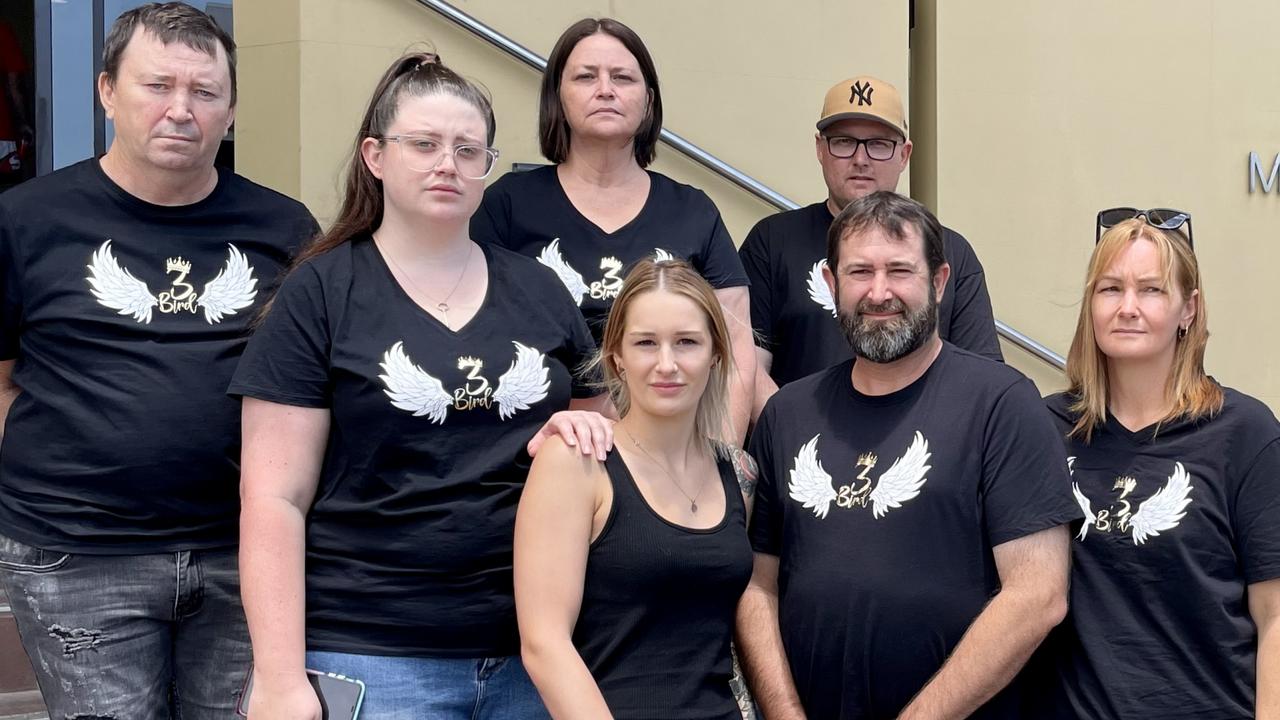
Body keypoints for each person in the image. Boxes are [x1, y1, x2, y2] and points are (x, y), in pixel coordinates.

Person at [231, 52, 607, 720]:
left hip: (534, 654)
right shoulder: (321, 293)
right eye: (425, 144)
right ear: (375, 156)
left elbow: (605, 451)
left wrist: (577, 434)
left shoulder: (541, 291)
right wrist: (280, 678)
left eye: (469, 150)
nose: (448, 164)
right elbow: (274, 499)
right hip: (374, 654)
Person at [0, 4, 316, 718]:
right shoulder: (25, 220)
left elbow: (309, 382)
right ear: (107, 91)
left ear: (231, 110)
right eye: (157, 86)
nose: (181, 110)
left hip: (245, 553)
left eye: (204, 93)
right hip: (78, 556)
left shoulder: (283, 227)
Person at [736, 191, 1080, 720]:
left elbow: (1038, 593)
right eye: (859, 272)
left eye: (900, 270)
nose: (879, 292)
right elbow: (758, 585)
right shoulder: (787, 414)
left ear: (939, 283)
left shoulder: (1002, 404)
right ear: (831, 285)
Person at [1034, 210, 1280, 719]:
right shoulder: (1044, 430)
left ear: (1187, 309)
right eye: (1110, 289)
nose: (1128, 308)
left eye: (1151, 290)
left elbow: (1276, 615)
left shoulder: (1245, 433)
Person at [472, 17, 756, 444]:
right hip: (541, 447)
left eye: (622, 77)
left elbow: (734, 345)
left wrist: (719, 459)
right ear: (557, 97)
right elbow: (473, 330)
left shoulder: (692, 210)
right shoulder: (508, 205)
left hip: (672, 451)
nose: (605, 89)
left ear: (648, 100)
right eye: (586, 76)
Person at [515, 258, 755, 719]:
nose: (667, 364)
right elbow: (544, 644)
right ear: (617, 357)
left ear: (716, 355)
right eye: (646, 343)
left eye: (687, 342)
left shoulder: (738, 474)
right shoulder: (575, 460)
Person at [738, 75, 1001, 414]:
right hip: (803, 455)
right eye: (844, 141)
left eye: (878, 143)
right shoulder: (772, 242)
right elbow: (745, 364)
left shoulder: (949, 249)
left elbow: (981, 374)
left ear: (904, 154)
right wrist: (795, 436)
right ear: (820, 148)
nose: (860, 159)